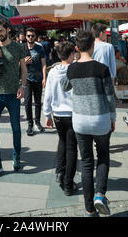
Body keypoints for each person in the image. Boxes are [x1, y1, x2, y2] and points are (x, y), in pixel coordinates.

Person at [61, 30, 116, 217]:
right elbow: (110, 97)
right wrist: (113, 118)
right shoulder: (102, 69)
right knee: (102, 157)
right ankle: (100, 194)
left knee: (85, 163)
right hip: (100, 119)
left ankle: (89, 209)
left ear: (76, 48)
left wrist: (70, 64)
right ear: (93, 46)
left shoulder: (72, 69)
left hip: (80, 121)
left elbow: (64, 86)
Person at [0, 20, 27, 179]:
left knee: (16, 128)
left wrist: (22, 86)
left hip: (13, 94)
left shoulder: (18, 47)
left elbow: (23, 69)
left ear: (7, 30)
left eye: (1, 31)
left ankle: (17, 157)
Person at [43, 41, 78, 196]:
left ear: (58, 55)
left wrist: (46, 114)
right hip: (73, 114)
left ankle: (60, 172)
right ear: (71, 55)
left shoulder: (53, 71)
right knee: (71, 148)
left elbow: (48, 95)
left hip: (57, 114)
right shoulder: (76, 70)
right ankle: (68, 183)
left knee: (62, 142)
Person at [24, 27, 47, 136]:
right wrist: (23, 62)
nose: (31, 37)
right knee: (27, 101)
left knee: (38, 102)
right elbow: (16, 64)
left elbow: (44, 64)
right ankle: (30, 123)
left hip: (38, 78)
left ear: (35, 36)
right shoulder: (22, 48)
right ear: (26, 36)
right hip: (27, 78)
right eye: (29, 35)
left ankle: (37, 121)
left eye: (32, 36)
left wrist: (44, 78)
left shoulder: (40, 48)